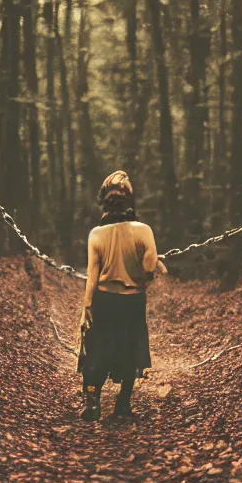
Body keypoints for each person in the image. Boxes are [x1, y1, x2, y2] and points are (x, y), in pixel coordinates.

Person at [76, 170, 166, 421]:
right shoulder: (143, 230)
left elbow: (91, 277)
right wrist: (151, 262)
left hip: (105, 300)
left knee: (98, 349)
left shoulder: (95, 234)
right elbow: (148, 271)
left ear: (104, 202)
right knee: (131, 348)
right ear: (130, 201)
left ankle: (93, 403)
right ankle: (123, 404)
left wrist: (87, 307)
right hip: (132, 301)